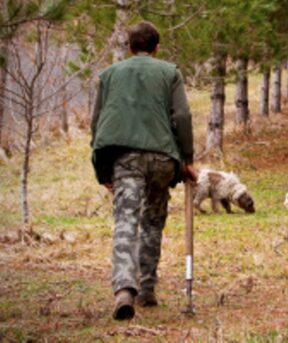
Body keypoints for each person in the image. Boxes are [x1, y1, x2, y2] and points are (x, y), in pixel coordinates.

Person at [90, 21, 197, 320]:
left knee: (126, 221)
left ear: (129, 47)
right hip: (163, 157)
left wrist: (103, 170)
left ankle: (125, 289)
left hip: (125, 158)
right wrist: (187, 159)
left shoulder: (109, 75)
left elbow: (96, 123)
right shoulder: (169, 72)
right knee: (152, 220)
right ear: (157, 47)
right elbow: (183, 116)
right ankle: (148, 287)